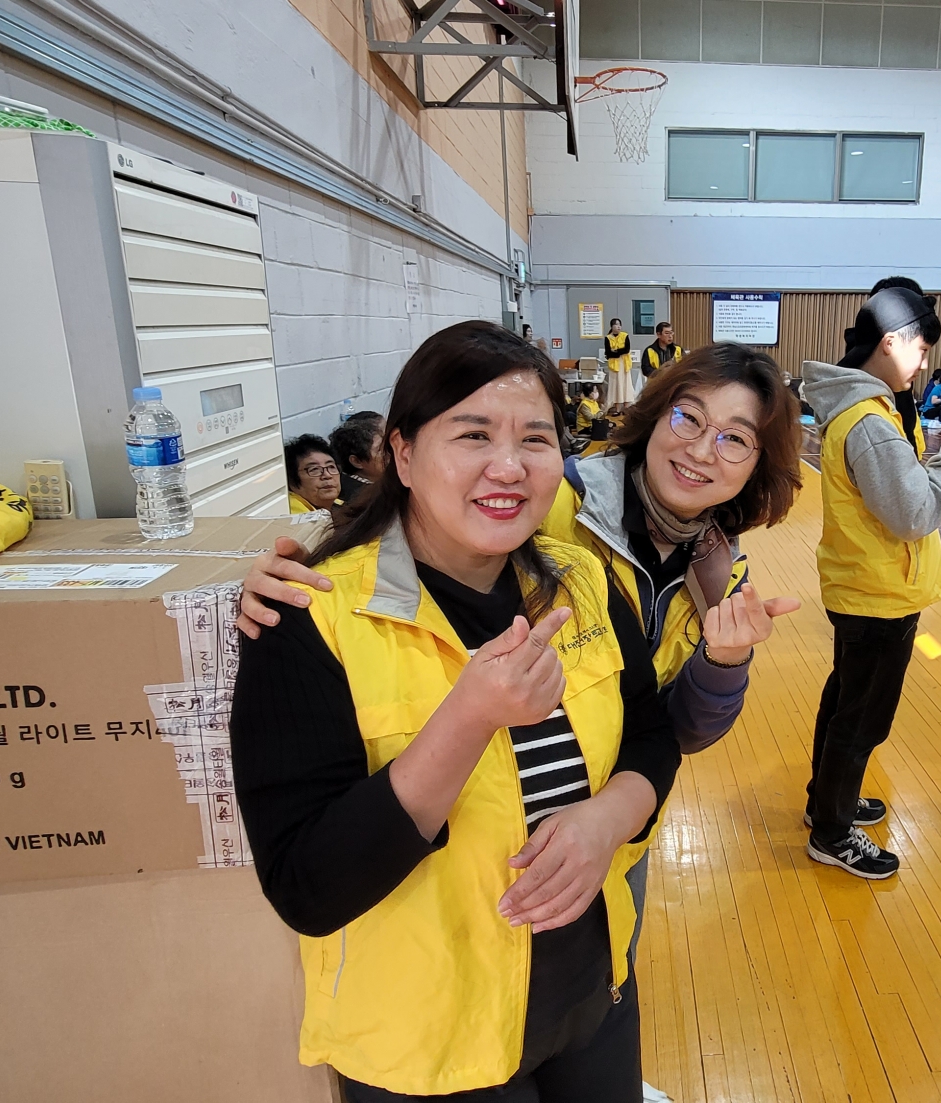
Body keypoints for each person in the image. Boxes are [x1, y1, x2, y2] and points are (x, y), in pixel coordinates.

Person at [230, 320, 680, 1101]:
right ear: (402, 454)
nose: (508, 465)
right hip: (427, 1042)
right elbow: (308, 885)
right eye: (473, 434)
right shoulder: (312, 616)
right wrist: (469, 716)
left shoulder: (579, 582)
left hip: (589, 994)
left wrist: (605, 821)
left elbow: (651, 734)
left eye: (536, 439)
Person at [802, 284, 941, 878]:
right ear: (892, 342)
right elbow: (912, 513)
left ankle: (828, 801)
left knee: (845, 701)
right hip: (879, 595)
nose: (925, 363)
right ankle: (832, 833)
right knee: (862, 720)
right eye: (922, 350)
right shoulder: (870, 422)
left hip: (866, 585)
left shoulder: (868, 409)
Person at [285, 434, 342, 514]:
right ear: (291, 481)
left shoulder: (339, 505)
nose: (327, 475)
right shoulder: (293, 514)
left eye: (331, 467)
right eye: (314, 469)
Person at [329, 411, 386, 490]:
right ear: (356, 461)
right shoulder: (364, 495)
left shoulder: (378, 483)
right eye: (379, 450)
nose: (390, 452)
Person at [604, 318, 635, 407]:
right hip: (614, 365)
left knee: (626, 385)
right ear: (611, 326)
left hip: (624, 364)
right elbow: (608, 352)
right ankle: (617, 408)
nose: (618, 326)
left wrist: (616, 351)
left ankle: (626, 407)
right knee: (615, 385)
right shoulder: (608, 338)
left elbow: (626, 349)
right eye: (616, 324)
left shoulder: (625, 336)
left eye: (619, 324)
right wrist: (616, 353)